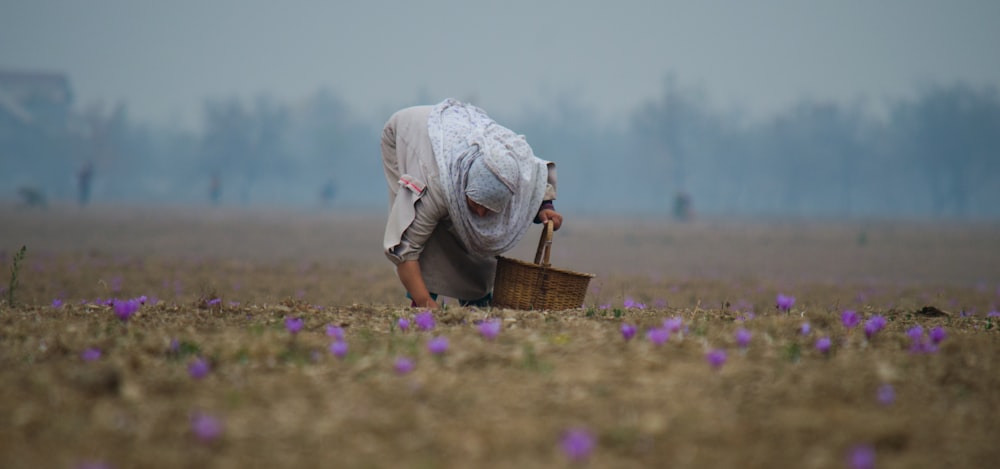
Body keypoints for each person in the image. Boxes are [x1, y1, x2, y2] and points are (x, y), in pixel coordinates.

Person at [381, 99, 562, 309]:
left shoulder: (510, 167)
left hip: (456, 125)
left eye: (489, 208)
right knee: (431, 233)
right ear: (465, 187)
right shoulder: (436, 185)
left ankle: (476, 300)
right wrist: (424, 302)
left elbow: (536, 177)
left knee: (476, 232)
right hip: (408, 135)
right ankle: (423, 297)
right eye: (476, 203)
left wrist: (545, 208)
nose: (482, 213)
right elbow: (405, 249)